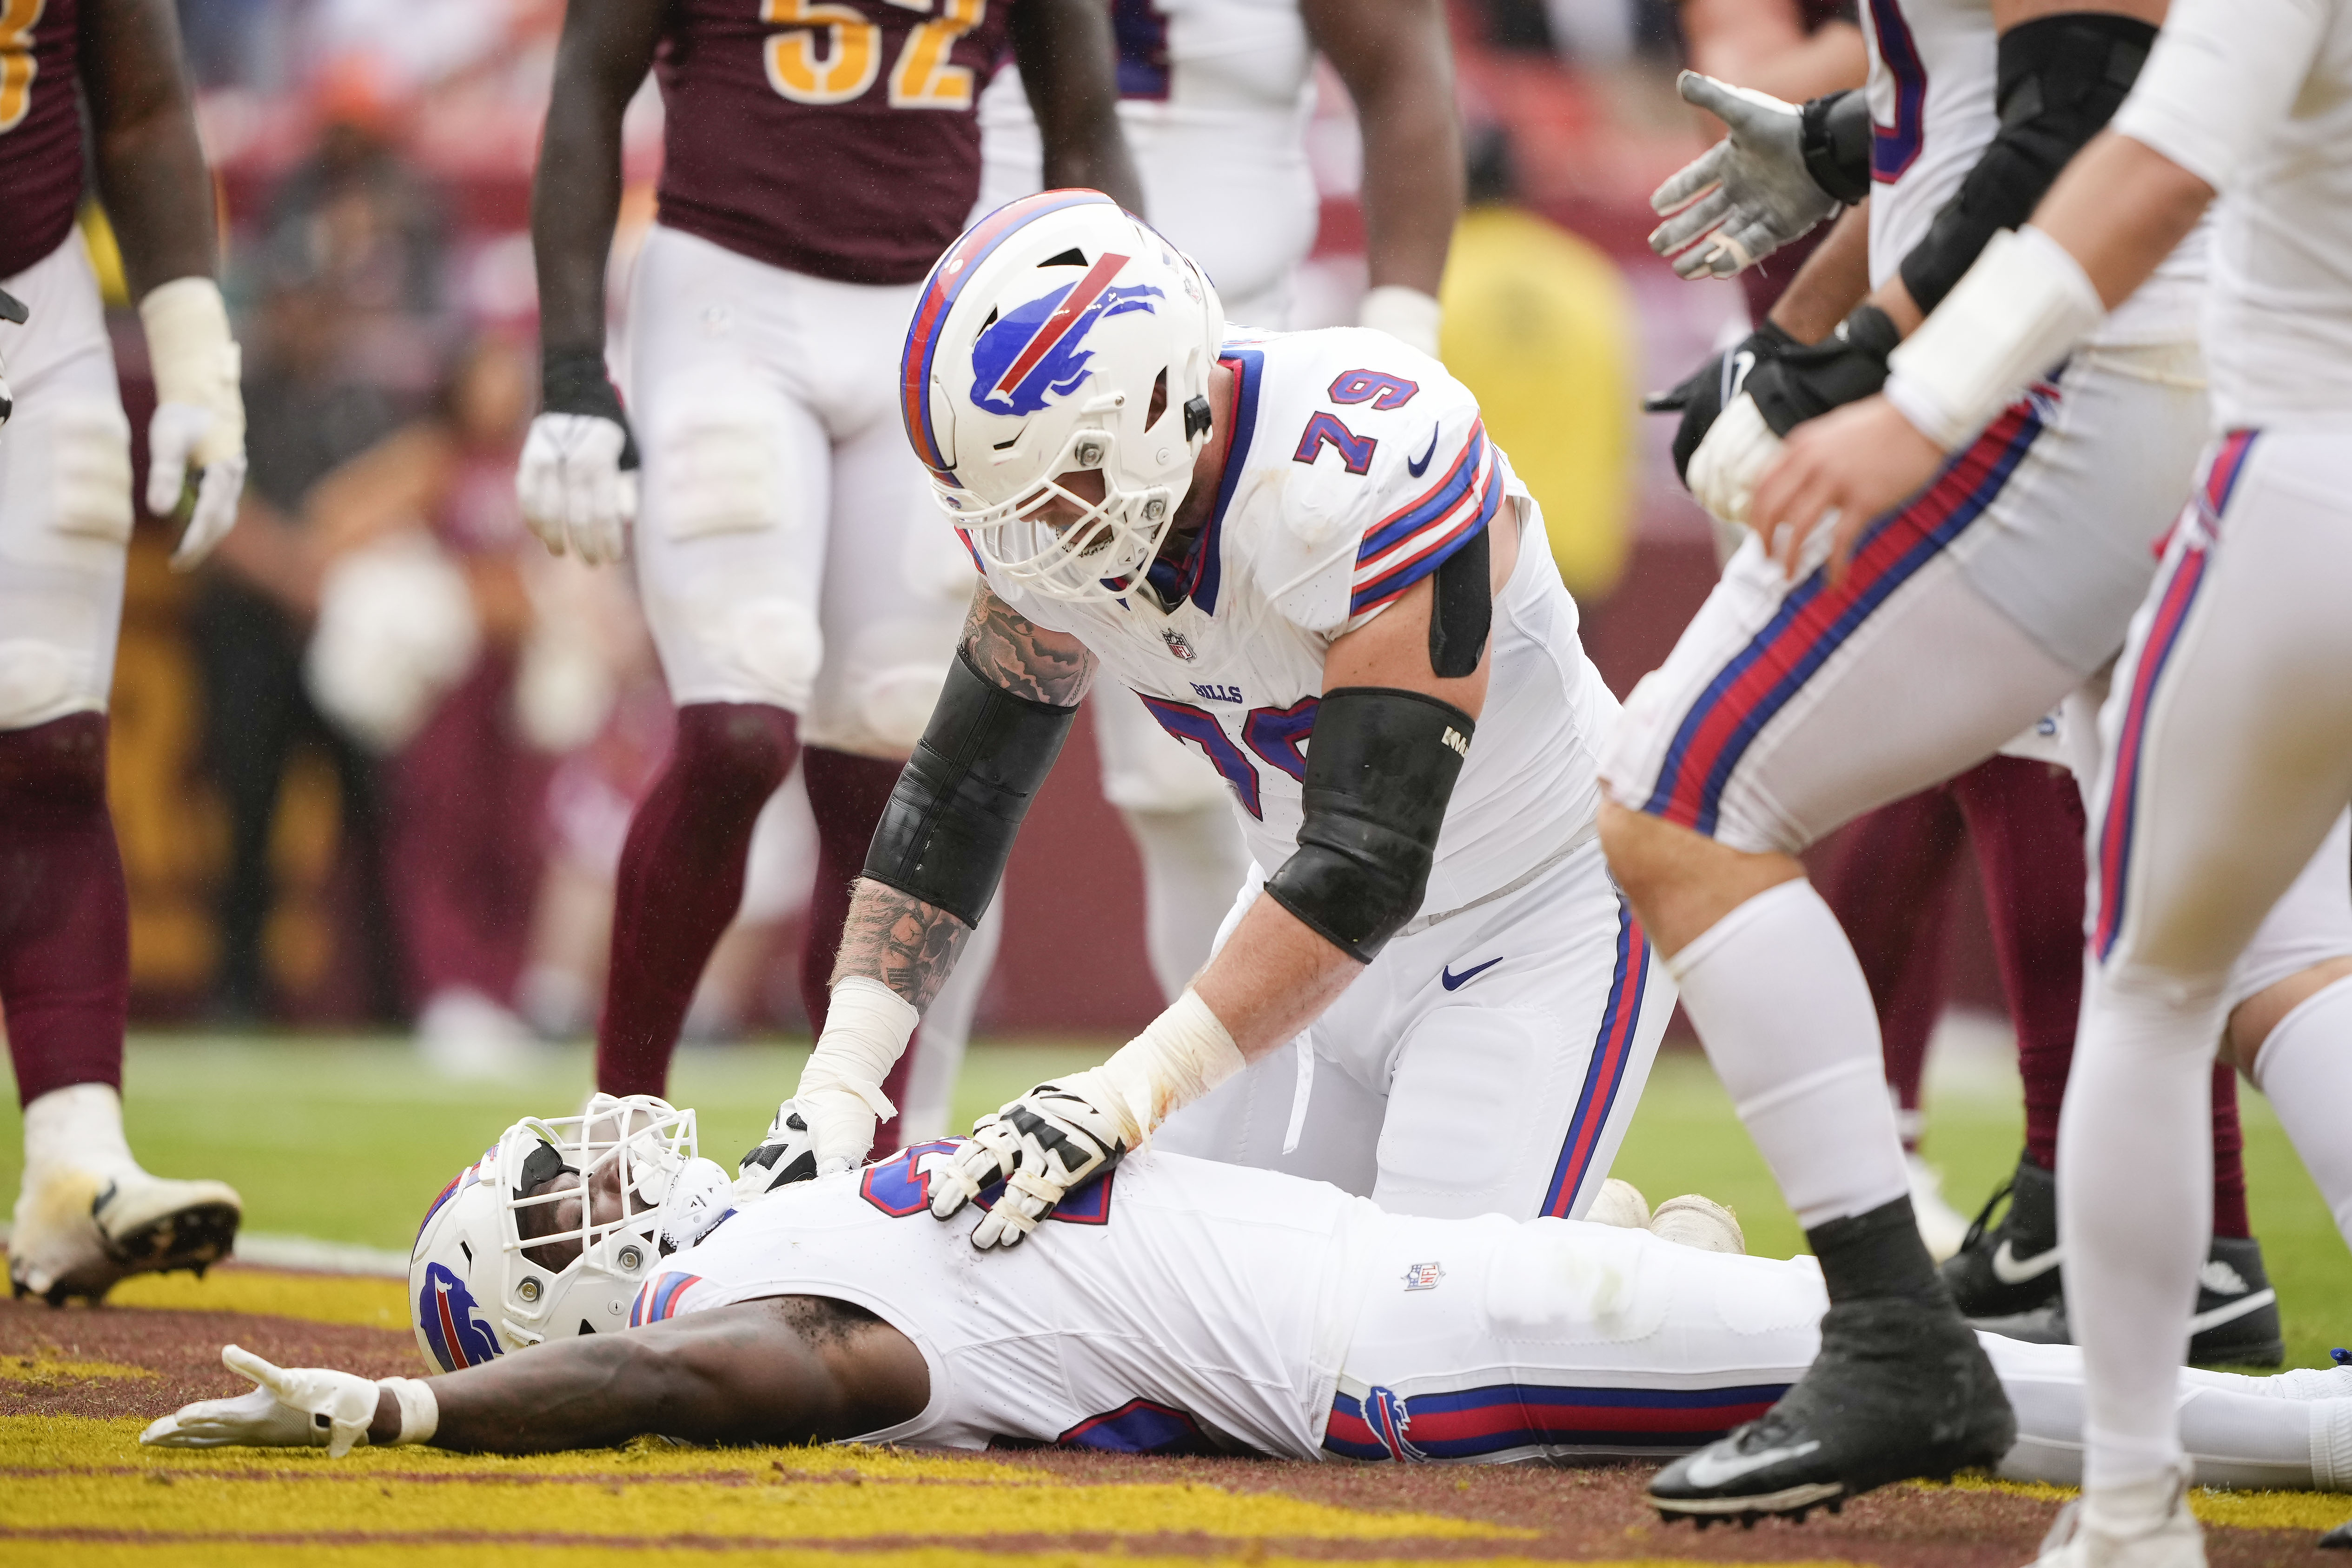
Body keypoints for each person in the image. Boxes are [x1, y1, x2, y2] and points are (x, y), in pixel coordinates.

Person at [1597, 0, 2352, 1521]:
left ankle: (1894, 1337)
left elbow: (2095, 103)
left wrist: (1881, 366)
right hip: (2148, 373)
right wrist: (1826, 220)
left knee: (1679, 796)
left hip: (2071, 383)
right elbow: (1980, 111)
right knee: (2284, 943)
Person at [736, 191, 1668, 1234]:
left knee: (1418, 1344)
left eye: (1061, 480)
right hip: (1292, 926)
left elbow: (1368, 861)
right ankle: (1593, 1241)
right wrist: (840, 1084)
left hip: (1538, 912)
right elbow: (960, 793)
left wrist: (1129, 1090)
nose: (1034, 528)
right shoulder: (1066, 516)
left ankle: (1645, 1278)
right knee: (1173, 1322)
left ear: (1156, 399)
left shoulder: (1355, 467)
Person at [141, 1094, 2352, 1504]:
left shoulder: (780, 1238)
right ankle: (2312, 1431)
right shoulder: (758, 1306)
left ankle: (2286, 1431)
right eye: (552, 1206)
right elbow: (725, 1383)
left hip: (1392, 1309)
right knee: (1906, 1352)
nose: (594, 1163)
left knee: (1930, 1383)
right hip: (1408, 1316)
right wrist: (420, 1418)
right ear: (567, 1303)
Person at [515, 0, 1141, 1140]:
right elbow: (588, 88)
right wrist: (568, 368)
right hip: (726, 297)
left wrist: (1128, 366)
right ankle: (616, 1129)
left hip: (929, 314)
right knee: (736, 727)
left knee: (890, 754)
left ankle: (856, 1152)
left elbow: (1084, 131)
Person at [961, 0, 1461, 1096]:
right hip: (994, 390)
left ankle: (1263, 1105)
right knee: (937, 749)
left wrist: (1400, 341)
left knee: (1215, 787)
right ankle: (890, 1127)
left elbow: (1404, 75)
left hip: (1233, 383)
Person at [2, 0, 250, 1302]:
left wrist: (196, 360)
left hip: (34, 307)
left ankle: (74, 1161)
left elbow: (141, 98)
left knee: (53, 741)